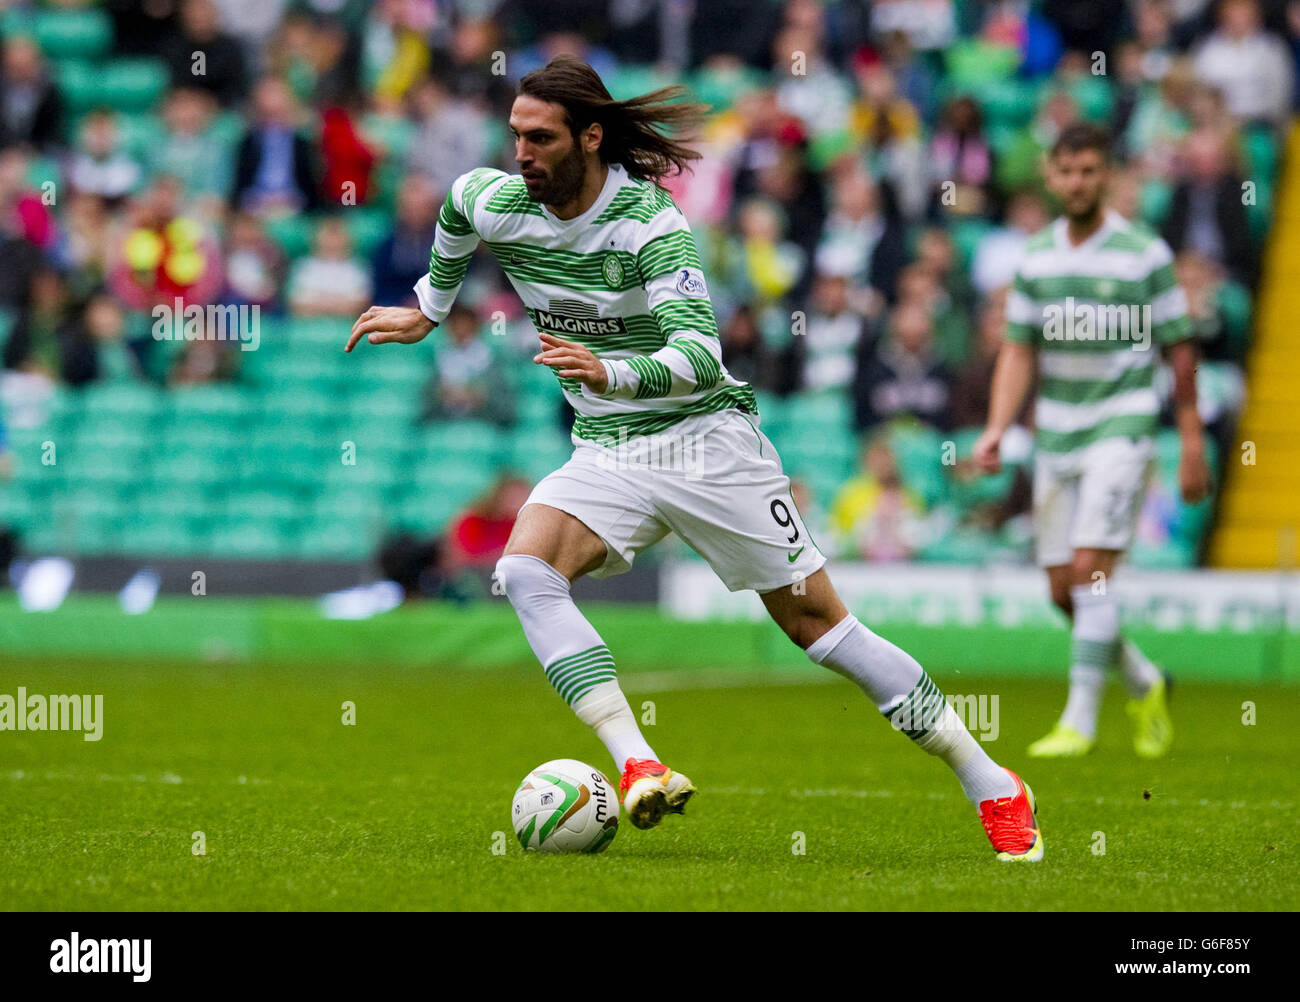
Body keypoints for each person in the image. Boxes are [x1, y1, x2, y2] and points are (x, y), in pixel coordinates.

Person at [346, 55, 1043, 861]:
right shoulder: (489, 197)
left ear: (591, 137)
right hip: (609, 446)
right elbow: (457, 224)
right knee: (526, 571)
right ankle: (637, 760)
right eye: (515, 136)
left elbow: (700, 357)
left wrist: (609, 370)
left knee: (819, 625)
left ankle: (990, 780)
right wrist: (427, 311)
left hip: (705, 442)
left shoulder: (649, 223)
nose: (522, 153)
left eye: (540, 138)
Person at [973, 122, 1210, 760]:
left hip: (1124, 423)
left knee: (1090, 574)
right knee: (1061, 589)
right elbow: (1018, 350)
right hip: (1057, 430)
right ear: (1050, 177)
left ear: (1107, 176)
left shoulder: (1144, 253)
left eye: (1089, 171)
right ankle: (1144, 679)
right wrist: (998, 427)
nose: (1077, 182)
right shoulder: (1037, 257)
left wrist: (1191, 441)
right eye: (1066, 171)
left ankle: (1078, 719)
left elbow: (1180, 350)